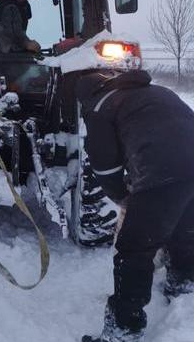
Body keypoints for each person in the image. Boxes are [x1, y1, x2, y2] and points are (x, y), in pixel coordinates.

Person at [75, 69, 194, 342]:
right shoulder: (156, 92)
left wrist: (122, 196)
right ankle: (183, 284)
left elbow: (105, 167)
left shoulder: (100, 106)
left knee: (134, 249)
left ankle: (123, 329)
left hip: (162, 175)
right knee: (185, 232)